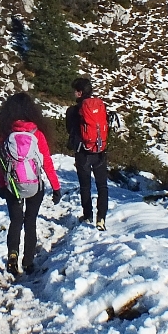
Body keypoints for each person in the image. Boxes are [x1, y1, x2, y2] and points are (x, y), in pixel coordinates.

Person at [0, 92, 61, 276]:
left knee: (16, 221)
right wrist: (56, 188)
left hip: (12, 186)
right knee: (30, 222)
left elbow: (0, 163)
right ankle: (29, 261)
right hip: (34, 186)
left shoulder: (4, 133)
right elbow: (46, 162)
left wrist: (1, 185)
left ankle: (12, 256)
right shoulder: (37, 132)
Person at [66, 77, 110, 229]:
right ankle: (101, 218)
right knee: (102, 186)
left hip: (82, 152)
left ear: (79, 93)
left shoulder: (72, 111)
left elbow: (69, 130)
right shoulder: (100, 106)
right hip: (100, 151)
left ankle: (87, 215)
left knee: (85, 186)